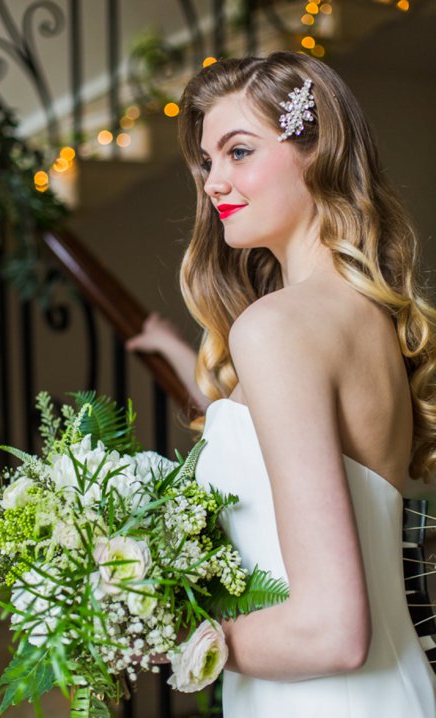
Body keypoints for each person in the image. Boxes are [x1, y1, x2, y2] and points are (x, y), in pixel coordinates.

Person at [145, 51, 436, 715]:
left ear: (318, 149)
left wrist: (168, 635)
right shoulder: (366, 316)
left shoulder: (276, 329)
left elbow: (332, 632)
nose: (214, 181)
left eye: (238, 151)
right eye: (206, 162)